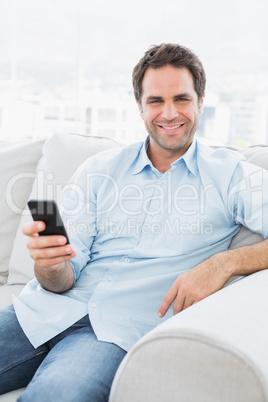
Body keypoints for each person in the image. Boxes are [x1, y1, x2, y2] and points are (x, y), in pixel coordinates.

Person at [1, 43, 268, 401]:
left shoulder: (231, 175)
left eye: (182, 99)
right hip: (38, 314)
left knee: (55, 395)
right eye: (156, 100)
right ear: (140, 106)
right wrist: (49, 265)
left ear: (201, 102)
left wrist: (226, 262)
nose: (170, 113)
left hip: (112, 334)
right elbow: (62, 280)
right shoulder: (99, 170)